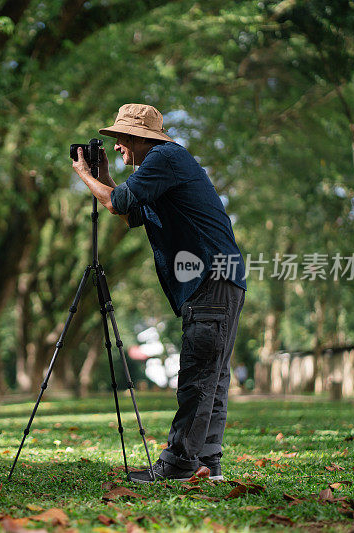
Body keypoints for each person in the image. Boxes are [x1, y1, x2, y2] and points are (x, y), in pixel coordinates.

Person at [71, 103, 246, 483]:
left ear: (139, 137)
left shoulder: (165, 157)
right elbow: (130, 212)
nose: (116, 147)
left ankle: (178, 465)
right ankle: (206, 463)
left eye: (119, 139)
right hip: (223, 277)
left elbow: (114, 203)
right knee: (212, 379)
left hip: (210, 278)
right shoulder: (164, 167)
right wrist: (103, 175)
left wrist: (84, 174)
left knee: (199, 376)